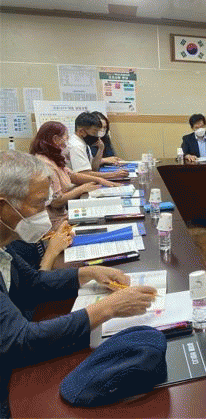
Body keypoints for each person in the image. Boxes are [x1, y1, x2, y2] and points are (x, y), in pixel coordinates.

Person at [0, 150, 157, 418]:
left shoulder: (7, 242)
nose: (44, 215)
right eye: (37, 205)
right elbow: (19, 340)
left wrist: (86, 273)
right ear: (3, 206)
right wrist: (107, 308)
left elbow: (32, 282)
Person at [30, 121, 119, 228]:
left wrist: (99, 180)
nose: (67, 143)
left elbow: (73, 176)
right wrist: (82, 189)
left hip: (64, 214)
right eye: (66, 138)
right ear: (55, 139)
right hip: (55, 221)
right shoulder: (45, 164)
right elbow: (56, 201)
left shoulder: (52, 158)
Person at [67, 112, 128, 179]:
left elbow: (94, 168)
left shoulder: (84, 142)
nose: (97, 135)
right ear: (81, 131)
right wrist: (113, 175)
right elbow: (84, 173)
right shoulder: (77, 146)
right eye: (94, 132)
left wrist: (100, 149)